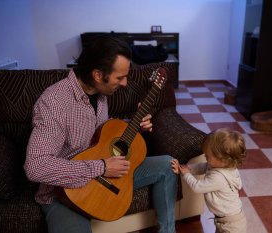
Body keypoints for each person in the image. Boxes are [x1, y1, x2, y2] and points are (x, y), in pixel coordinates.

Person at [24, 36, 177, 233]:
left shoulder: (100, 93)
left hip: (108, 170)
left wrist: (133, 126)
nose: (125, 83)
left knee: (168, 165)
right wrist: (101, 167)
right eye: (120, 77)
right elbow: (36, 166)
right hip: (65, 192)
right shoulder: (54, 104)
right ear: (97, 74)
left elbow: (99, 135)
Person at [171, 128, 247, 233]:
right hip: (225, 220)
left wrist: (186, 174)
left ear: (222, 159)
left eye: (207, 156)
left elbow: (197, 187)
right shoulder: (220, 165)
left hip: (231, 226)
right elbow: (202, 167)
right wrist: (186, 168)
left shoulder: (219, 178)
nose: (205, 156)